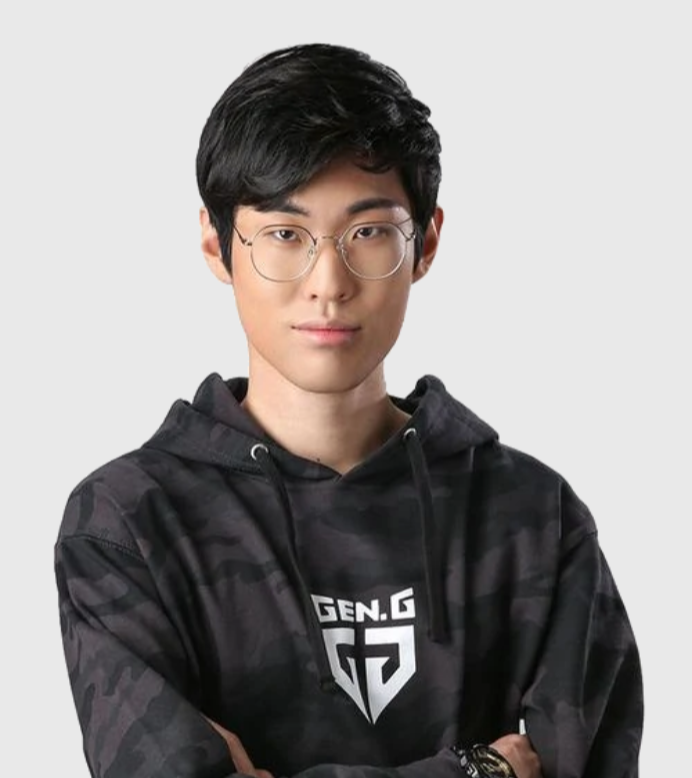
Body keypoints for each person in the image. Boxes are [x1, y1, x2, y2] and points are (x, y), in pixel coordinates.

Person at [54, 43, 643, 778]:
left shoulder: (533, 515)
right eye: (284, 235)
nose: (327, 282)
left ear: (425, 242)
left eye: (368, 232)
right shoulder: (129, 522)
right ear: (215, 242)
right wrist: (477, 770)